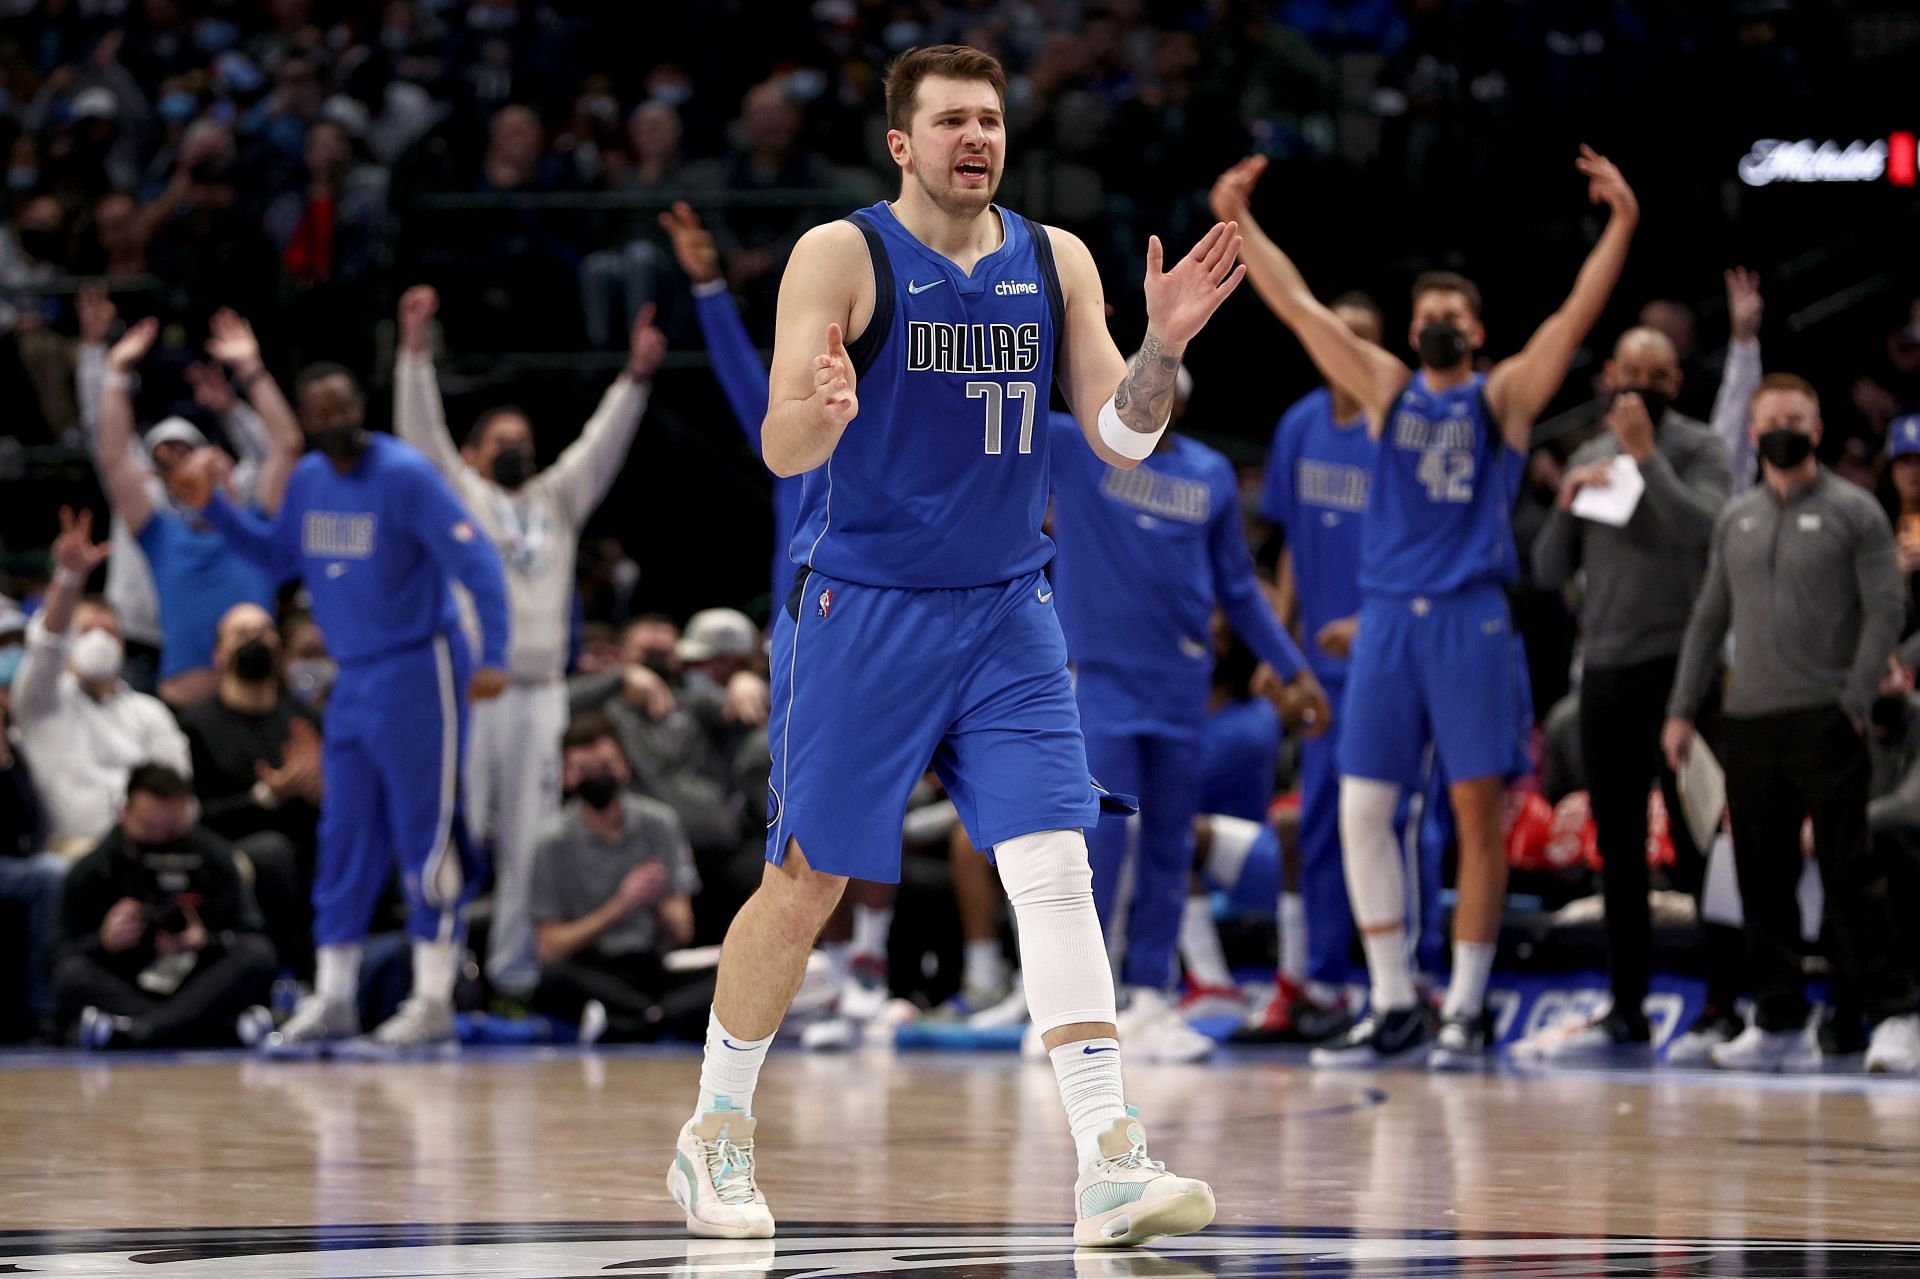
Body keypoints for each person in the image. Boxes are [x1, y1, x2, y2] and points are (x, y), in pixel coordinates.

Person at [669, 44, 1242, 1247]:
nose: (974, 139)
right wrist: (814, 417)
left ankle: (1108, 1155)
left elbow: (1121, 437)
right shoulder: (843, 253)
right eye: (949, 123)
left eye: (988, 120)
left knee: (1054, 859)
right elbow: (776, 447)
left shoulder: (1056, 258)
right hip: (863, 608)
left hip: (1006, 609)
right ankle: (714, 1129)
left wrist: (1164, 349)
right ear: (901, 143)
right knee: (806, 881)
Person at [1210, 144, 1639, 1069]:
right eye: (1428, 312)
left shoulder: (1505, 399)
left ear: (1477, 331)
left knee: (1475, 814)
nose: (1440, 321)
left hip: (1469, 617)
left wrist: (1622, 225)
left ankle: (1468, 1006)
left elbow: (1576, 314)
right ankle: (1396, 997)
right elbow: (1296, 306)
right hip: (1388, 621)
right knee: (1363, 810)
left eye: (1455, 312)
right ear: (1413, 330)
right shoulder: (1386, 390)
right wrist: (1240, 221)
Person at [168, 356, 512, 1056]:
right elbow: (273, 558)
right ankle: (333, 995)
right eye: (320, 413)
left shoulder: (406, 475)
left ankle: (432, 997)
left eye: (344, 407)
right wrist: (215, 510)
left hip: (422, 667)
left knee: (427, 834)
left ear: (363, 403)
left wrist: (496, 655)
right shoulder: (308, 481)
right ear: (307, 419)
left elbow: (477, 564)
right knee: (345, 836)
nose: (336, 423)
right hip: (349, 678)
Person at [393, 284, 664, 1003]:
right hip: (475, 692)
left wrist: (634, 378)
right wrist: (414, 355)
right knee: (457, 833)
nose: (516, 451)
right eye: (502, 444)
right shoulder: (462, 496)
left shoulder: (557, 502)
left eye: (524, 443)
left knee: (528, 840)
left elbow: (600, 447)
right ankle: (438, 976)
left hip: (542, 695)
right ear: (478, 455)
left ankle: (513, 974)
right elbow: (421, 440)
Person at [1048, 370, 1327, 1061]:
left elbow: (1238, 586)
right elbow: (1015, 384)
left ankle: (1151, 997)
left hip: (1182, 682)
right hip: (1105, 678)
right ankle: (1080, 1009)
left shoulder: (1210, 475)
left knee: (1170, 843)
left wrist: (1292, 666)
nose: (1153, 409)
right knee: (1103, 844)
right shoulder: (1075, 447)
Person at [1663, 374, 1920, 1074]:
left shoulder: (1855, 510)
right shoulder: (1736, 517)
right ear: (1751, 432)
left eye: (1797, 417)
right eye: (1772, 418)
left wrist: (1856, 698)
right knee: (1760, 876)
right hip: (1750, 716)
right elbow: (1710, 617)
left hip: (1829, 715)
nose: (1785, 427)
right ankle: (1778, 1016)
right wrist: (1683, 708)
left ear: (1818, 425)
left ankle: (1897, 1010)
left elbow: (1884, 612)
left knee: (1850, 871)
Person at [1527, 327, 1734, 1058]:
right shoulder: (1587, 453)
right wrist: (1565, 501)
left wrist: (1647, 457)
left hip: (1683, 668)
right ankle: (1627, 1006)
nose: (1642, 383)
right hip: (1607, 672)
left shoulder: (1703, 448)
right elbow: (1549, 569)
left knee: (1702, 839)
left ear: (1677, 382)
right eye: (1631, 371)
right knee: (1617, 847)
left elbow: (1710, 534)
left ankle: (1725, 1005)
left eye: (1658, 373)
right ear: (1610, 374)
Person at [1246, 293, 1397, 1041]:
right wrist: (1281, 646)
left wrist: (1375, 620)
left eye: (1362, 335)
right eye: (1336, 333)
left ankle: (1406, 981)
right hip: (1320, 669)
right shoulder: (1300, 426)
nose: (1346, 345)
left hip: (1390, 661)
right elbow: (1295, 549)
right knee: (1321, 828)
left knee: (1393, 825)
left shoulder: (1396, 429)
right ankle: (1326, 983)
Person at [93, 306, 303, 706]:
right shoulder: (160, 535)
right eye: (184, 470)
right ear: (174, 485)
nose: (203, 474)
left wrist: (251, 369)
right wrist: (116, 373)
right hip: (189, 708)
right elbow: (116, 459)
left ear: (230, 470)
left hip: (263, 703)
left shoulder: (256, 527)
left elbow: (287, 446)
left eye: (209, 463)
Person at [54, 764, 277, 1050]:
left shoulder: (214, 857)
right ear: (125, 812)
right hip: (127, 981)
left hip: (198, 981)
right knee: (71, 975)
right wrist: (104, 941)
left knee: (256, 956)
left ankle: (138, 1031)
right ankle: (206, 1029)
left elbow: (251, 935)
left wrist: (205, 939)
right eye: (148, 828)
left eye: (171, 829)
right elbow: (59, 953)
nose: (160, 839)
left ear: (186, 814)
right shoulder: (95, 868)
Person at [12, 508, 192, 851]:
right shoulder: (41, 700)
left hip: (148, 846)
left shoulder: (149, 712)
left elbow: (179, 789)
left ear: (123, 643)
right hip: (71, 848)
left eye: (109, 632)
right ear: (70, 644)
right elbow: (47, 644)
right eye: (88, 631)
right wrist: (69, 577)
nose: (100, 642)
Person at [658, 201, 800, 611]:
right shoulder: (796, 455)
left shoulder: (894, 451)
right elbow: (739, 374)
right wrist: (709, 286)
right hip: (797, 645)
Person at [529, 713, 705, 1044]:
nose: (598, 777)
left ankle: (633, 1020)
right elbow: (549, 948)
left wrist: (658, 898)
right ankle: (657, 1018)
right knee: (553, 981)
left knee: (729, 978)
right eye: (585, 770)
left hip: (652, 966)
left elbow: (683, 931)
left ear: (624, 766)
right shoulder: (552, 843)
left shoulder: (659, 824)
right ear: (568, 776)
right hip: (591, 968)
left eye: (605, 767)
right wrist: (621, 905)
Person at [174, 603, 324, 977]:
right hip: (229, 848)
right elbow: (194, 817)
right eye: (242, 634)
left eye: (264, 632)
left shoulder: (307, 721)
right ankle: (296, 975)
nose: (255, 640)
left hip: (310, 842)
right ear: (219, 655)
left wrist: (322, 792)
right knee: (273, 853)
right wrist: (265, 798)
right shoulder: (194, 725)